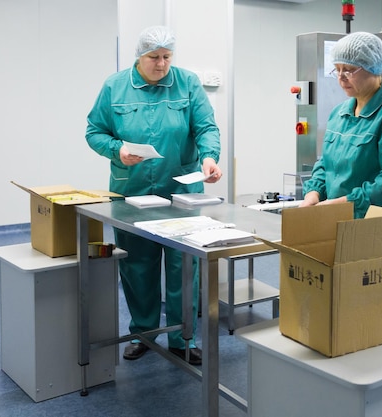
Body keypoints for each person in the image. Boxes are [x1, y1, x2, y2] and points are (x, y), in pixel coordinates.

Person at [85, 25, 222, 365]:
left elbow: (206, 127)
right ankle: (143, 333)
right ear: (139, 57)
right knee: (138, 266)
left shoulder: (187, 83)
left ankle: (181, 337)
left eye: (167, 57)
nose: (162, 65)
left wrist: (209, 156)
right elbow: (94, 131)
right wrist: (117, 151)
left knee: (183, 266)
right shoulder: (115, 87)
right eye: (154, 58)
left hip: (181, 193)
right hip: (132, 193)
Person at [299, 31, 382, 302]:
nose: (342, 77)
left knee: (377, 313)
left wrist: (342, 204)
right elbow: (325, 164)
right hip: (340, 223)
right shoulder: (340, 112)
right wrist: (313, 194)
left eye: (350, 70)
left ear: (375, 69)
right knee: (342, 307)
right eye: (337, 70)